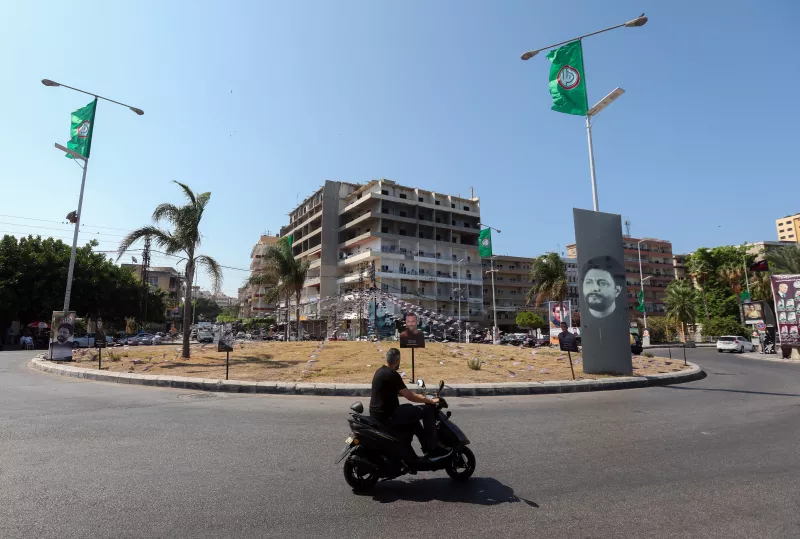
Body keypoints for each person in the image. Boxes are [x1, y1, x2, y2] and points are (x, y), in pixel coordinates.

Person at [369, 348, 446, 466]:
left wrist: (424, 396)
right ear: (398, 360)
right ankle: (433, 448)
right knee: (426, 411)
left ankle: (424, 445)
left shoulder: (381, 371)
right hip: (389, 415)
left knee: (411, 409)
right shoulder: (392, 374)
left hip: (379, 413)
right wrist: (430, 400)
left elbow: (401, 392)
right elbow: (409, 396)